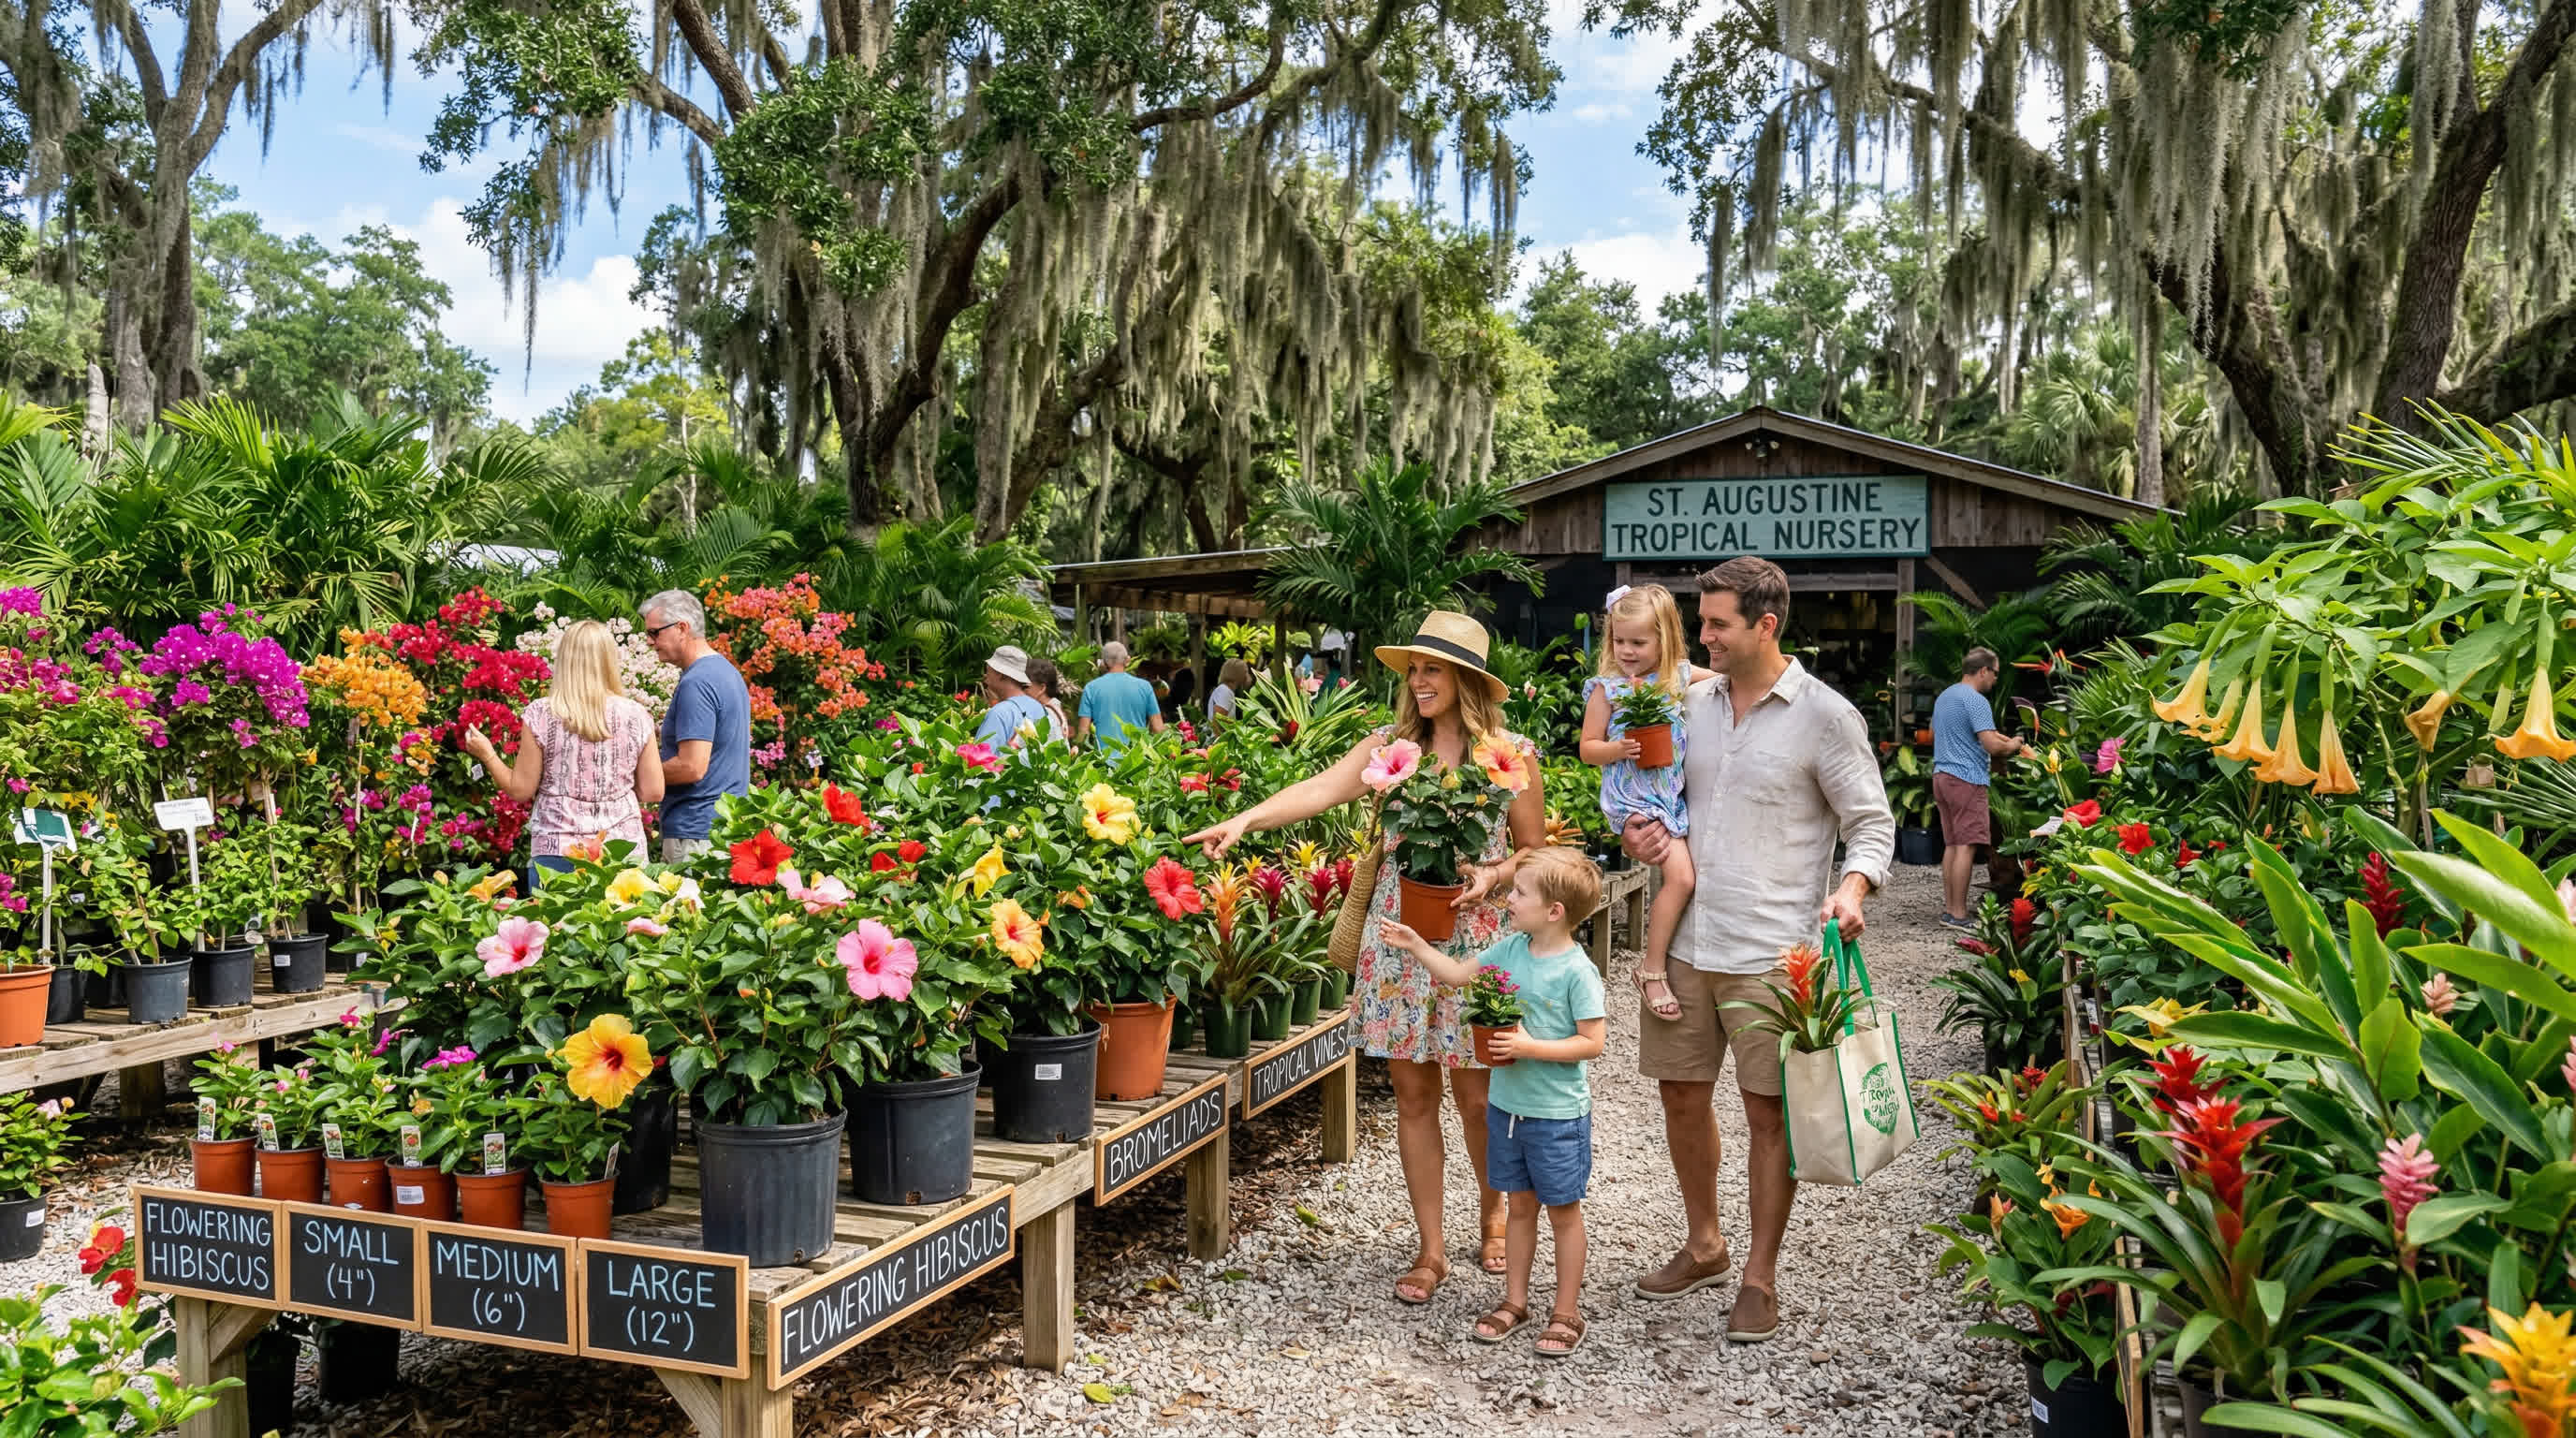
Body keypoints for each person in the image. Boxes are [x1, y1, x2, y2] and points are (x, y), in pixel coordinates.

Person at [1184, 611, 1545, 1305]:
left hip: (1479, 937)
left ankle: (1493, 1215)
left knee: (1477, 1096)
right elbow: (1320, 787)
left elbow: (1535, 846)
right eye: (1413, 669)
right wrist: (1245, 819)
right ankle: (1431, 1249)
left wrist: (1495, 876)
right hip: (1402, 932)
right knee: (1413, 1094)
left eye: (1431, 669)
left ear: (1465, 679)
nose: (1417, 680)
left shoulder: (1510, 753)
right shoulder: (1391, 747)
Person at [1620, 557, 1894, 1343]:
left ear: (1765, 626)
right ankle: (1705, 1244)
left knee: (1768, 1114)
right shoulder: (1687, 705)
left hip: (1775, 951)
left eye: (1715, 625)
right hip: (1685, 944)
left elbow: (1871, 824)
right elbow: (1654, 803)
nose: (1700, 637)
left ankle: (1759, 1276)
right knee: (1679, 1094)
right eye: (1699, 621)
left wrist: (1852, 891)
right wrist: (1641, 834)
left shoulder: (1825, 715)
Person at [1381, 848, 1607, 1357]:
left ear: (1555, 911)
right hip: (1509, 1110)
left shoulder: (1577, 971)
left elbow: (1593, 1043)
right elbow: (1458, 976)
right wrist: (1416, 943)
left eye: (1521, 892)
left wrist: (1530, 1048)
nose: (1510, 899)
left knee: (1564, 1213)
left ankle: (1567, 1311)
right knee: (1522, 1208)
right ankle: (1516, 1301)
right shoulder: (1509, 950)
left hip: (1557, 1116)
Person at [1579, 583, 1711, 1021]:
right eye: (1619, 641)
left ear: (1665, 639)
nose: (1627, 651)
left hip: (1667, 797)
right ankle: (1651, 969)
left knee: (1684, 878)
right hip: (1633, 797)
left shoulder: (1680, 677)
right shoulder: (1607, 689)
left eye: (1638, 641)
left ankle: (1658, 962)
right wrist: (1615, 749)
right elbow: (1587, 748)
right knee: (1682, 879)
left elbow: (1732, 681)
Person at [462, 620, 664, 886]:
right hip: (622, 850)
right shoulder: (636, 715)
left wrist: (487, 754)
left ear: (565, 659)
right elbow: (653, 791)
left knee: (554, 924)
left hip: (556, 851)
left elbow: (521, 790)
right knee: (620, 926)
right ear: (609, 660)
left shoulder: (542, 713)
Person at [641, 590, 752, 862]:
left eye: (655, 633)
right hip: (721, 828)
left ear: (682, 628)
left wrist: (633, 775)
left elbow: (691, 766)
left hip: (695, 835)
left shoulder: (697, 682)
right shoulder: (725, 672)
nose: (649, 642)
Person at [1932, 647, 2029, 930]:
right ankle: (1960, 915)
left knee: (1952, 844)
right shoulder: (1976, 701)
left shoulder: (1946, 696)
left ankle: (1951, 910)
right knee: (1966, 846)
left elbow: (1955, 733)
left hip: (1942, 776)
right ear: (1983, 670)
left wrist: (1999, 737)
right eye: (1995, 673)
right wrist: (2015, 744)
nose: (1996, 680)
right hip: (1966, 779)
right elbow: (1992, 745)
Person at [1076, 640, 1165, 754]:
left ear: (1103, 663)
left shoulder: (1091, 688)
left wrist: (1076, 748)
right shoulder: (1145, 687)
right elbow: (1158, 729)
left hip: (1103, 762)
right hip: (1136, 760)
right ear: (1127, 660)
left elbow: (1083, 733)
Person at [974, 645, 1053, 750]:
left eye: (988, 669)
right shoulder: (1039, 708)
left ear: (1000, 673)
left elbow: (980, 759)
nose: (985, 675)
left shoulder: (999, 713)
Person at [1022, 654, 1070, 740]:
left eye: (1025, 686)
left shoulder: (1045, 715)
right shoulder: (1054, 710)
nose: (1021, 691)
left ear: (1041, 688)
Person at [1208, 657, 1252, 721]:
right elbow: (1217, 722)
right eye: (1245, 672)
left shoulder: (1226, 690)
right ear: (1238, 674)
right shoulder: (1225, 691)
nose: (1247, 675)